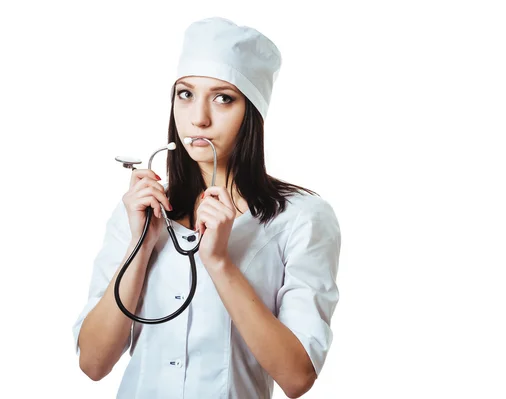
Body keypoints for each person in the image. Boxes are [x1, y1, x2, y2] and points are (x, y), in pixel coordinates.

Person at [72, 17, 341, 399]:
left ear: (252, 112)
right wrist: (141, 246)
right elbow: (93, 364)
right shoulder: (141, 211)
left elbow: (297, 378)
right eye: (185, 94)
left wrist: (220, 263)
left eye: (222, 98)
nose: (198, 118)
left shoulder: (302, 218)